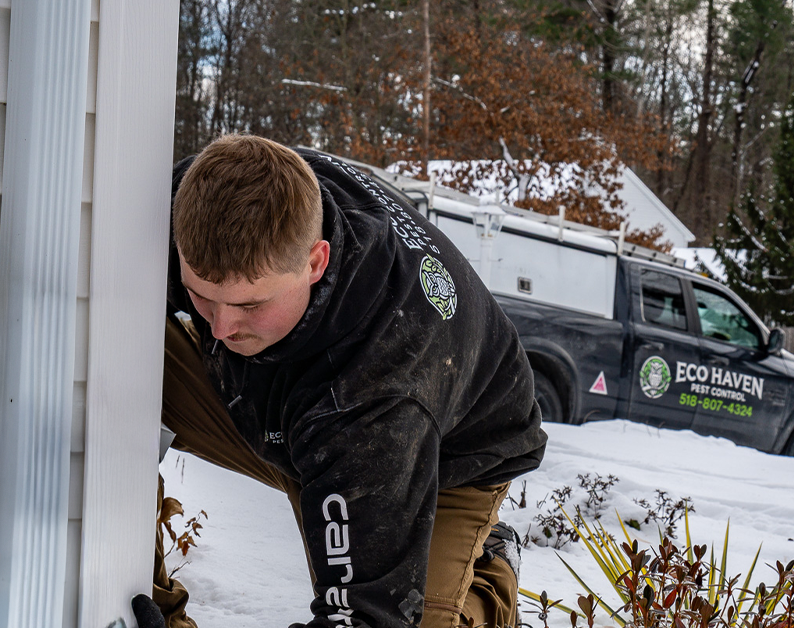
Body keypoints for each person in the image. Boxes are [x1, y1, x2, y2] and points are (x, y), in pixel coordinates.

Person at [138, 134, 547, 628]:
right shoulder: (204, 198)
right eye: (200, 297)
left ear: (316, 262)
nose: (220, 330)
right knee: (107, 350)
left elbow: (365, 620)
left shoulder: (376, 402)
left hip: (445, 456)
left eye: (250, 305)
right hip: (286, 405)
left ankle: (493, 578)